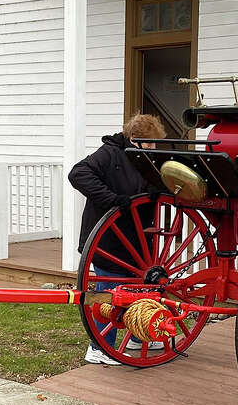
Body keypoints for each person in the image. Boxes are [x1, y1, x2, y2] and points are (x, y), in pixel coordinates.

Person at [68, 113, 167, 365]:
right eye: (150, 143)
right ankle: (99, 347)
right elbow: (78, 174)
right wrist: (112, 199)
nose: (154, 148)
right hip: (108, 239)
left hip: (136, 241)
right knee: (109, 292)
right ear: (135, 138)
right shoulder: (109, 153)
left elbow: (147, 185)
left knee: (138, 288)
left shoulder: (144, 157)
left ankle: (138, 336)